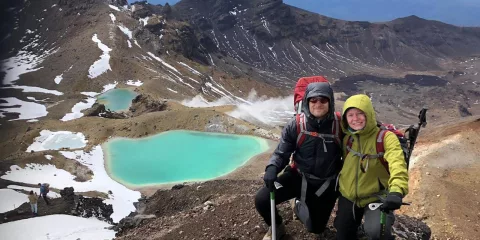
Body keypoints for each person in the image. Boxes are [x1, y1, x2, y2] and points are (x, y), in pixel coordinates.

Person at [254, 82, 343, 240]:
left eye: (323, 100)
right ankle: (277, 227)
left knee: (316, 229)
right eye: (313, 100)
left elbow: (362, 132)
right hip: (298, 177)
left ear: (330, 102)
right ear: (307, 102)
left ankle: (299, 206)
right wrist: (272, 167)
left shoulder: (340, 125)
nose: (318, 104)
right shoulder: (296, 124)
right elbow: (282, 151)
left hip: (325, 184)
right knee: (262, 199)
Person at [334, 94, 409, 240]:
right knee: (343, 234)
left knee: (377, 232)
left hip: (376, 196)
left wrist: (396, 190)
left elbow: (397, 164)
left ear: (368, 114)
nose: (355, 119)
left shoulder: (385, 138)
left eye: (360, 113)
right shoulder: (348, 139)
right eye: (350, 115)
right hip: (349, 196)